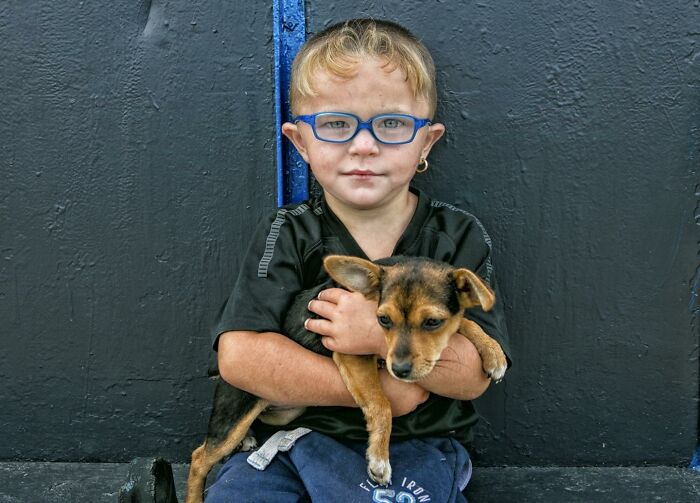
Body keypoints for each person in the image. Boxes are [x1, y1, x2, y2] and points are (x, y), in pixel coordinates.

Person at [206, 18, 510, 503]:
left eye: (391, 123)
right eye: (335, 124)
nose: (363, 144)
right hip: (290, 439)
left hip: (417, 444)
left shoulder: (455, 237)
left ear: (426, 142)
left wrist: (374, 335)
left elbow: (477, 375)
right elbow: (240, 358)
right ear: (300, 142)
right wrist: (380, 395)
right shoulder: (290, 231)